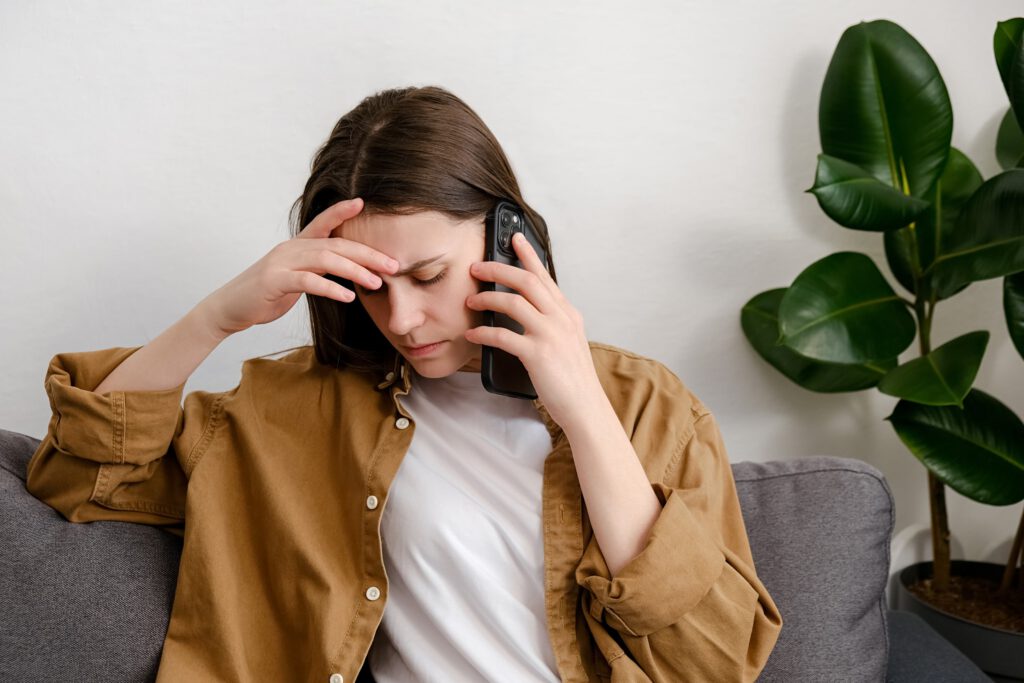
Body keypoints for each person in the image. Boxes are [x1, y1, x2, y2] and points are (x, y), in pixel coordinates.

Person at [25, 85, 782, 682]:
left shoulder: (647, 406)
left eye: (428, 275)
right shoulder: (284, 411)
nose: (404, 319)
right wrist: (216, 317)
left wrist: (582, 407)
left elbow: (714, 662)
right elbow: (78, 478)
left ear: (507, 237)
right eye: (373, 285)